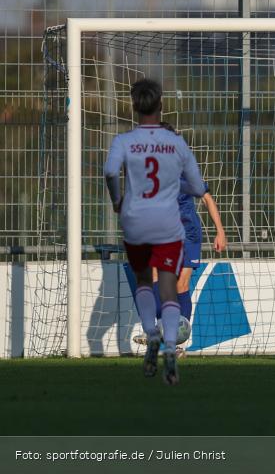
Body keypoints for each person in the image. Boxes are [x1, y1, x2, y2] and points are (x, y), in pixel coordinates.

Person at [103, 79, 207, 385]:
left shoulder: (124, 141)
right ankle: (170, 345)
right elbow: (198, 186)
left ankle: (152, 332)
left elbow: (110, 172)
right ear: (160, 106)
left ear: (135, 107)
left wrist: (118, 200)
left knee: (145, 282)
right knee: (169, 286)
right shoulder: (176, 146)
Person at [132, 122, 228, 355]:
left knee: (180, 285)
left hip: (188, 235)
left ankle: (177, 344)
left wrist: (220, 231)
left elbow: (207, 198)